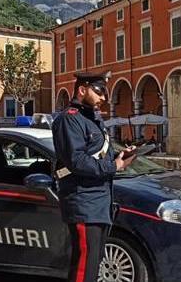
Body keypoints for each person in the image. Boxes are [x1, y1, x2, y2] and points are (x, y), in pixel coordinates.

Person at [52, 71, 135, 282]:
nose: (104, 98)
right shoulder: (69, 120)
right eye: (99, 91)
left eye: (105, 92)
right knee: (83, 268)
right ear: (82, 90)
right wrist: (113, 167)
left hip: (100, 203)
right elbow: (77, 161)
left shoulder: (93, 120)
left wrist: (119, 157)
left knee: (93, 264)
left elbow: (98, 156)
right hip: (83, 202)